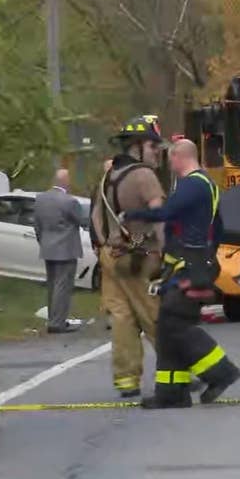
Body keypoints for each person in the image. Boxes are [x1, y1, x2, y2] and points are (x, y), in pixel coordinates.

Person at [123, 138, 240, 409]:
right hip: (194, 262)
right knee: (166, 326)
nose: (169, 163)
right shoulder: (207, 186)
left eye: (171, 158)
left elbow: (167, 212)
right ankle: (171, 392)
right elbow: (218, 226)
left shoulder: (193, 185)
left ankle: (221, 372)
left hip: (191, 265)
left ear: (179, 157)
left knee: (176, 323)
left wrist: (130, 215)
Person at [90, 115, 165, 398]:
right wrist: (167, 249)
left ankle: (126, 380)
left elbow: (97, 215)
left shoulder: (108, 176)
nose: (158, 151)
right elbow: (159, 216)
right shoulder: (144, 176)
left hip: (111, 256)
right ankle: (181, 369)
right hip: (138, 258)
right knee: (153, 315)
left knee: (122, 318)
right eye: (153, 145)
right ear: (136, 146)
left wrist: (106, 247)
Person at [34, 169, 84, 334]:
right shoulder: (69, 201)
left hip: (48, 247)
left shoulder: (40, 199)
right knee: (62, 286)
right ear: (65, 182)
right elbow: (81, 220)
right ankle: (57, 322)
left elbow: (37, 225)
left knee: (52, 285)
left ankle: (52, 318)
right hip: (66, 248)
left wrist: (43, 241)